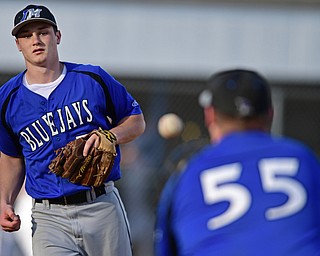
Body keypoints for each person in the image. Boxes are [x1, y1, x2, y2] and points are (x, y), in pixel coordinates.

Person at [0, 4, 145, 256]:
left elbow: (136, 120)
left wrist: (111, 135)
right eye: (26, 35)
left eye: (43, 32)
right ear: (18, 44)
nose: (35, 40)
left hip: (101, 205)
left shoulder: (91, 78)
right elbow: (12, 157)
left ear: (57, 36)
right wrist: (5, 200)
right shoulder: (7, 99)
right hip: (48, 216)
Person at [154, 69, 320, 256]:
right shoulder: (303, 158)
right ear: (270, 114)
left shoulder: (190, 170)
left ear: (210, 115)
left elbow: (165, 247)